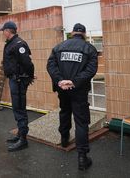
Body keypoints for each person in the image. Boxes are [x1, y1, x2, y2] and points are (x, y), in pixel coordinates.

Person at [46, 23, 98, 171]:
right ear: (84, 34)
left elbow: (51, 66)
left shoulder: (59, 47)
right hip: (79, 90)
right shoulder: (90, 49)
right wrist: (74, 82)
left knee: (64, 111)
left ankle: (64, 139)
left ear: (72, 33)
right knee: (81, 122)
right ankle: (82, 157)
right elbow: (91, 70)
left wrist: (60, 80)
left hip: (62, 88)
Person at [0, 21, 35, 152]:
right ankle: (20, 134)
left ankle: (23, 139)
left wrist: (29, 77)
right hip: (14, 80)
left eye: (3, 30)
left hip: (19, 81)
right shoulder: (11, 43)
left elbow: (28, 63)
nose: (3, 33)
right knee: (17, 108)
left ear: (8, 31)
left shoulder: (19, 44)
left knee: (19, 108)